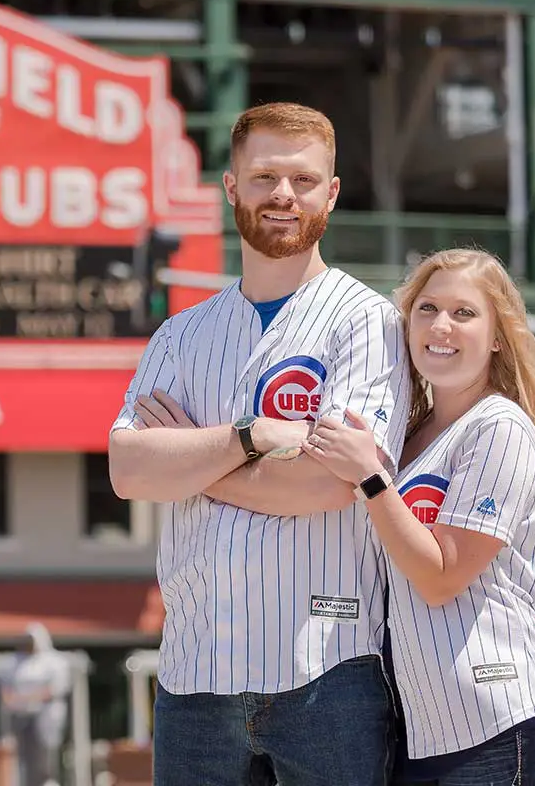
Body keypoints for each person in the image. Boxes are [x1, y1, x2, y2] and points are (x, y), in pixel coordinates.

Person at [110, 101, 411, 786]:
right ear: (231, 186)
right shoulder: (180, 336)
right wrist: (251, 437)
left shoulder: (367, 324)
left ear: (331, 193)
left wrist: (189, 461)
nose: (283, 195)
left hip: (329, 674)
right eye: (265, 176)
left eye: (304, 181)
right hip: (194, 678)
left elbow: (330, 484)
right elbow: (128, 469)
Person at [300, 248, 535, 785]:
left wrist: (370, 478)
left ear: (499, 336)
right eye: (427, 309)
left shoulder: (499, 426)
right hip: (423, 735)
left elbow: (441, 576)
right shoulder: (410, 438)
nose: (441, 325)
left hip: (499, 724)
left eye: (464, 313)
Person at [0, 623, 72, 786]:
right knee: (20, 756)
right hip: (20, 717)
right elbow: (5, 690)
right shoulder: (13, 662)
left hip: (47, 717)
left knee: (46, 755)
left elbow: (56, 688)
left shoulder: (54, 662)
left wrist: (29, 698)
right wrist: (17, 700)